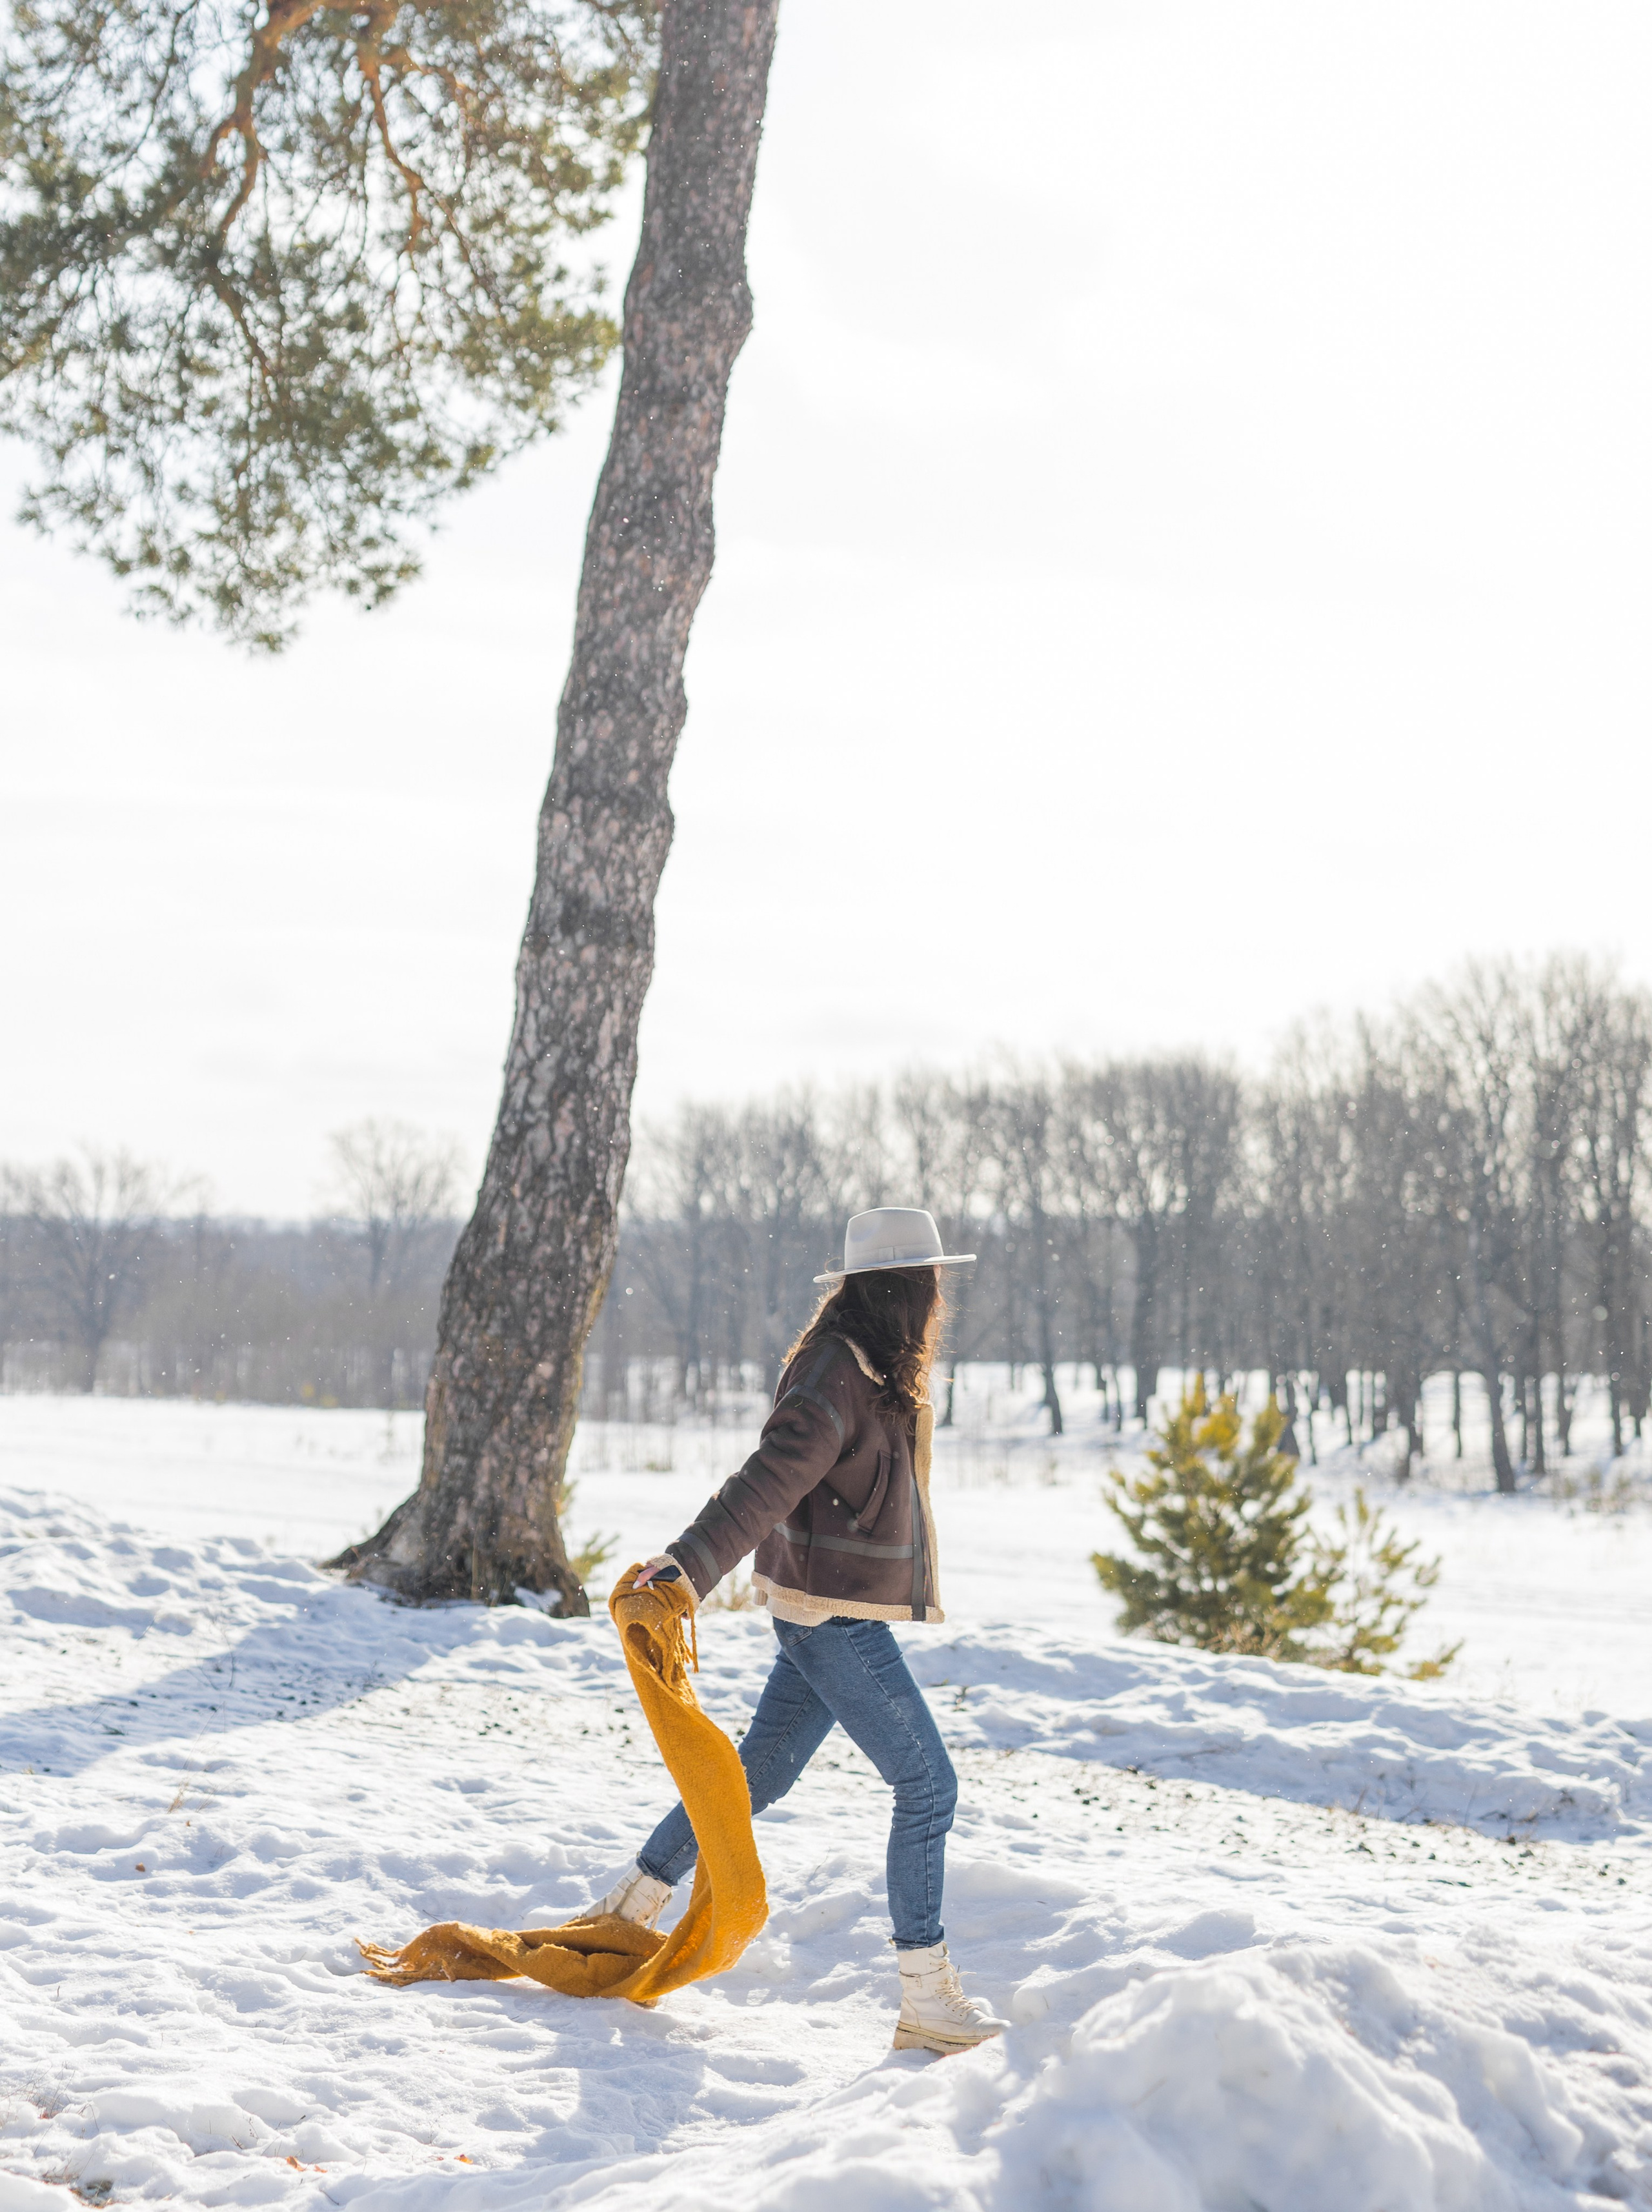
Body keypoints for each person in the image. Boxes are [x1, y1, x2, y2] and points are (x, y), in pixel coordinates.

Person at [581, 1207, 1009, 2056]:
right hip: (831, 1618)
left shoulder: (869, 1369)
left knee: (756, 1778)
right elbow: (766, 1483)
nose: (938, 1302)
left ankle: (630, 1902)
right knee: (929, 1787)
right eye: (932, 1286)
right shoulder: (835, 1376)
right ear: (907, 1290)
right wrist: (688, 1566)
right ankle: (925, 1996)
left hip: (824, 1608)